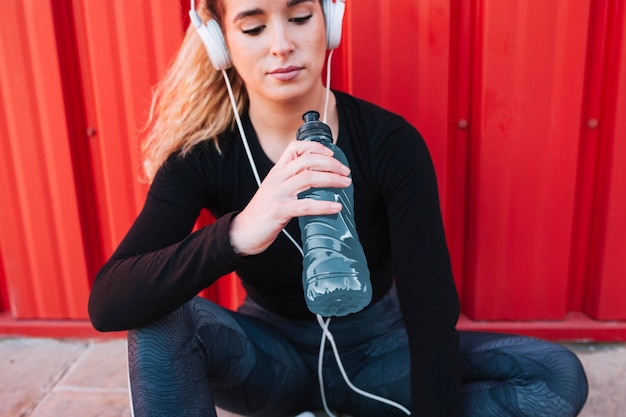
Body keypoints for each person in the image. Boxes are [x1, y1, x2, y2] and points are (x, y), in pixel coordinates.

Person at [87, 0, 589, 416]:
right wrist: (237, 232)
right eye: (255, 26)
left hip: (380, 353)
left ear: (330, 19)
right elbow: (110, 302)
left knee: (554, 377)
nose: (281, 44)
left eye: (300, 17)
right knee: (159, 315)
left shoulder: (389, 142)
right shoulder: (205, 155)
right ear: (220, 42)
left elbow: (430, 312)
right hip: (271, 362)